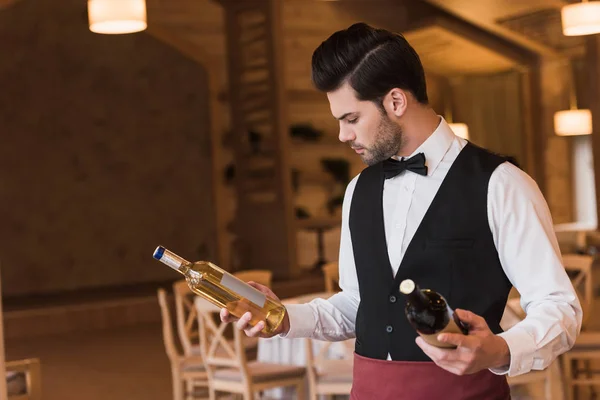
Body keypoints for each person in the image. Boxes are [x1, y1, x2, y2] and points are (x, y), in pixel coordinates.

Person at [220, 22, 582, 399]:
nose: (343, 135)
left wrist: (502, 349)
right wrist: (282, 318)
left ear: (395, 102)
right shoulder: (358, 190)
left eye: (351, 119)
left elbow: (559, 307)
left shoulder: (502, 184)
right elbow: (358, 304)